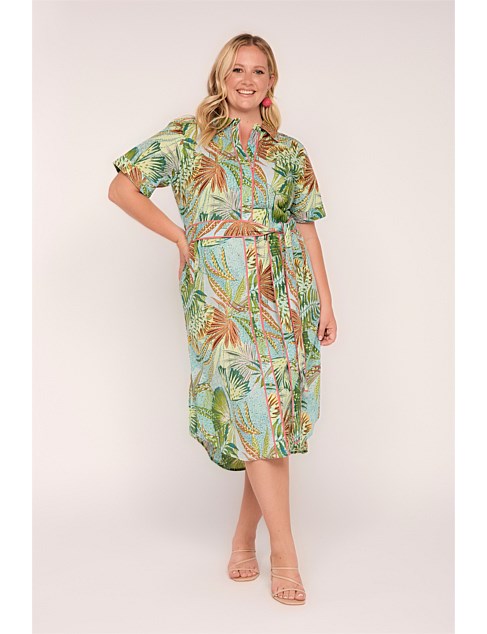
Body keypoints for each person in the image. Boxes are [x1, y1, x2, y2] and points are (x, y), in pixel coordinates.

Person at [108, 33, 337, 606]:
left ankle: (242, 540)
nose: (247, 79)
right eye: (237, 69)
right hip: (218, 295)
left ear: (271, 82)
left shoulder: (289, 152)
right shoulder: (187, 138)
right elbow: (121, 187)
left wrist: (326, 302)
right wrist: (178, 235)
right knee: (254, 410)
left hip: (284, 292)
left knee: (271, 418)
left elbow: (307, 230)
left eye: (258, 71)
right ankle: (285, 552)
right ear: (220, 77)